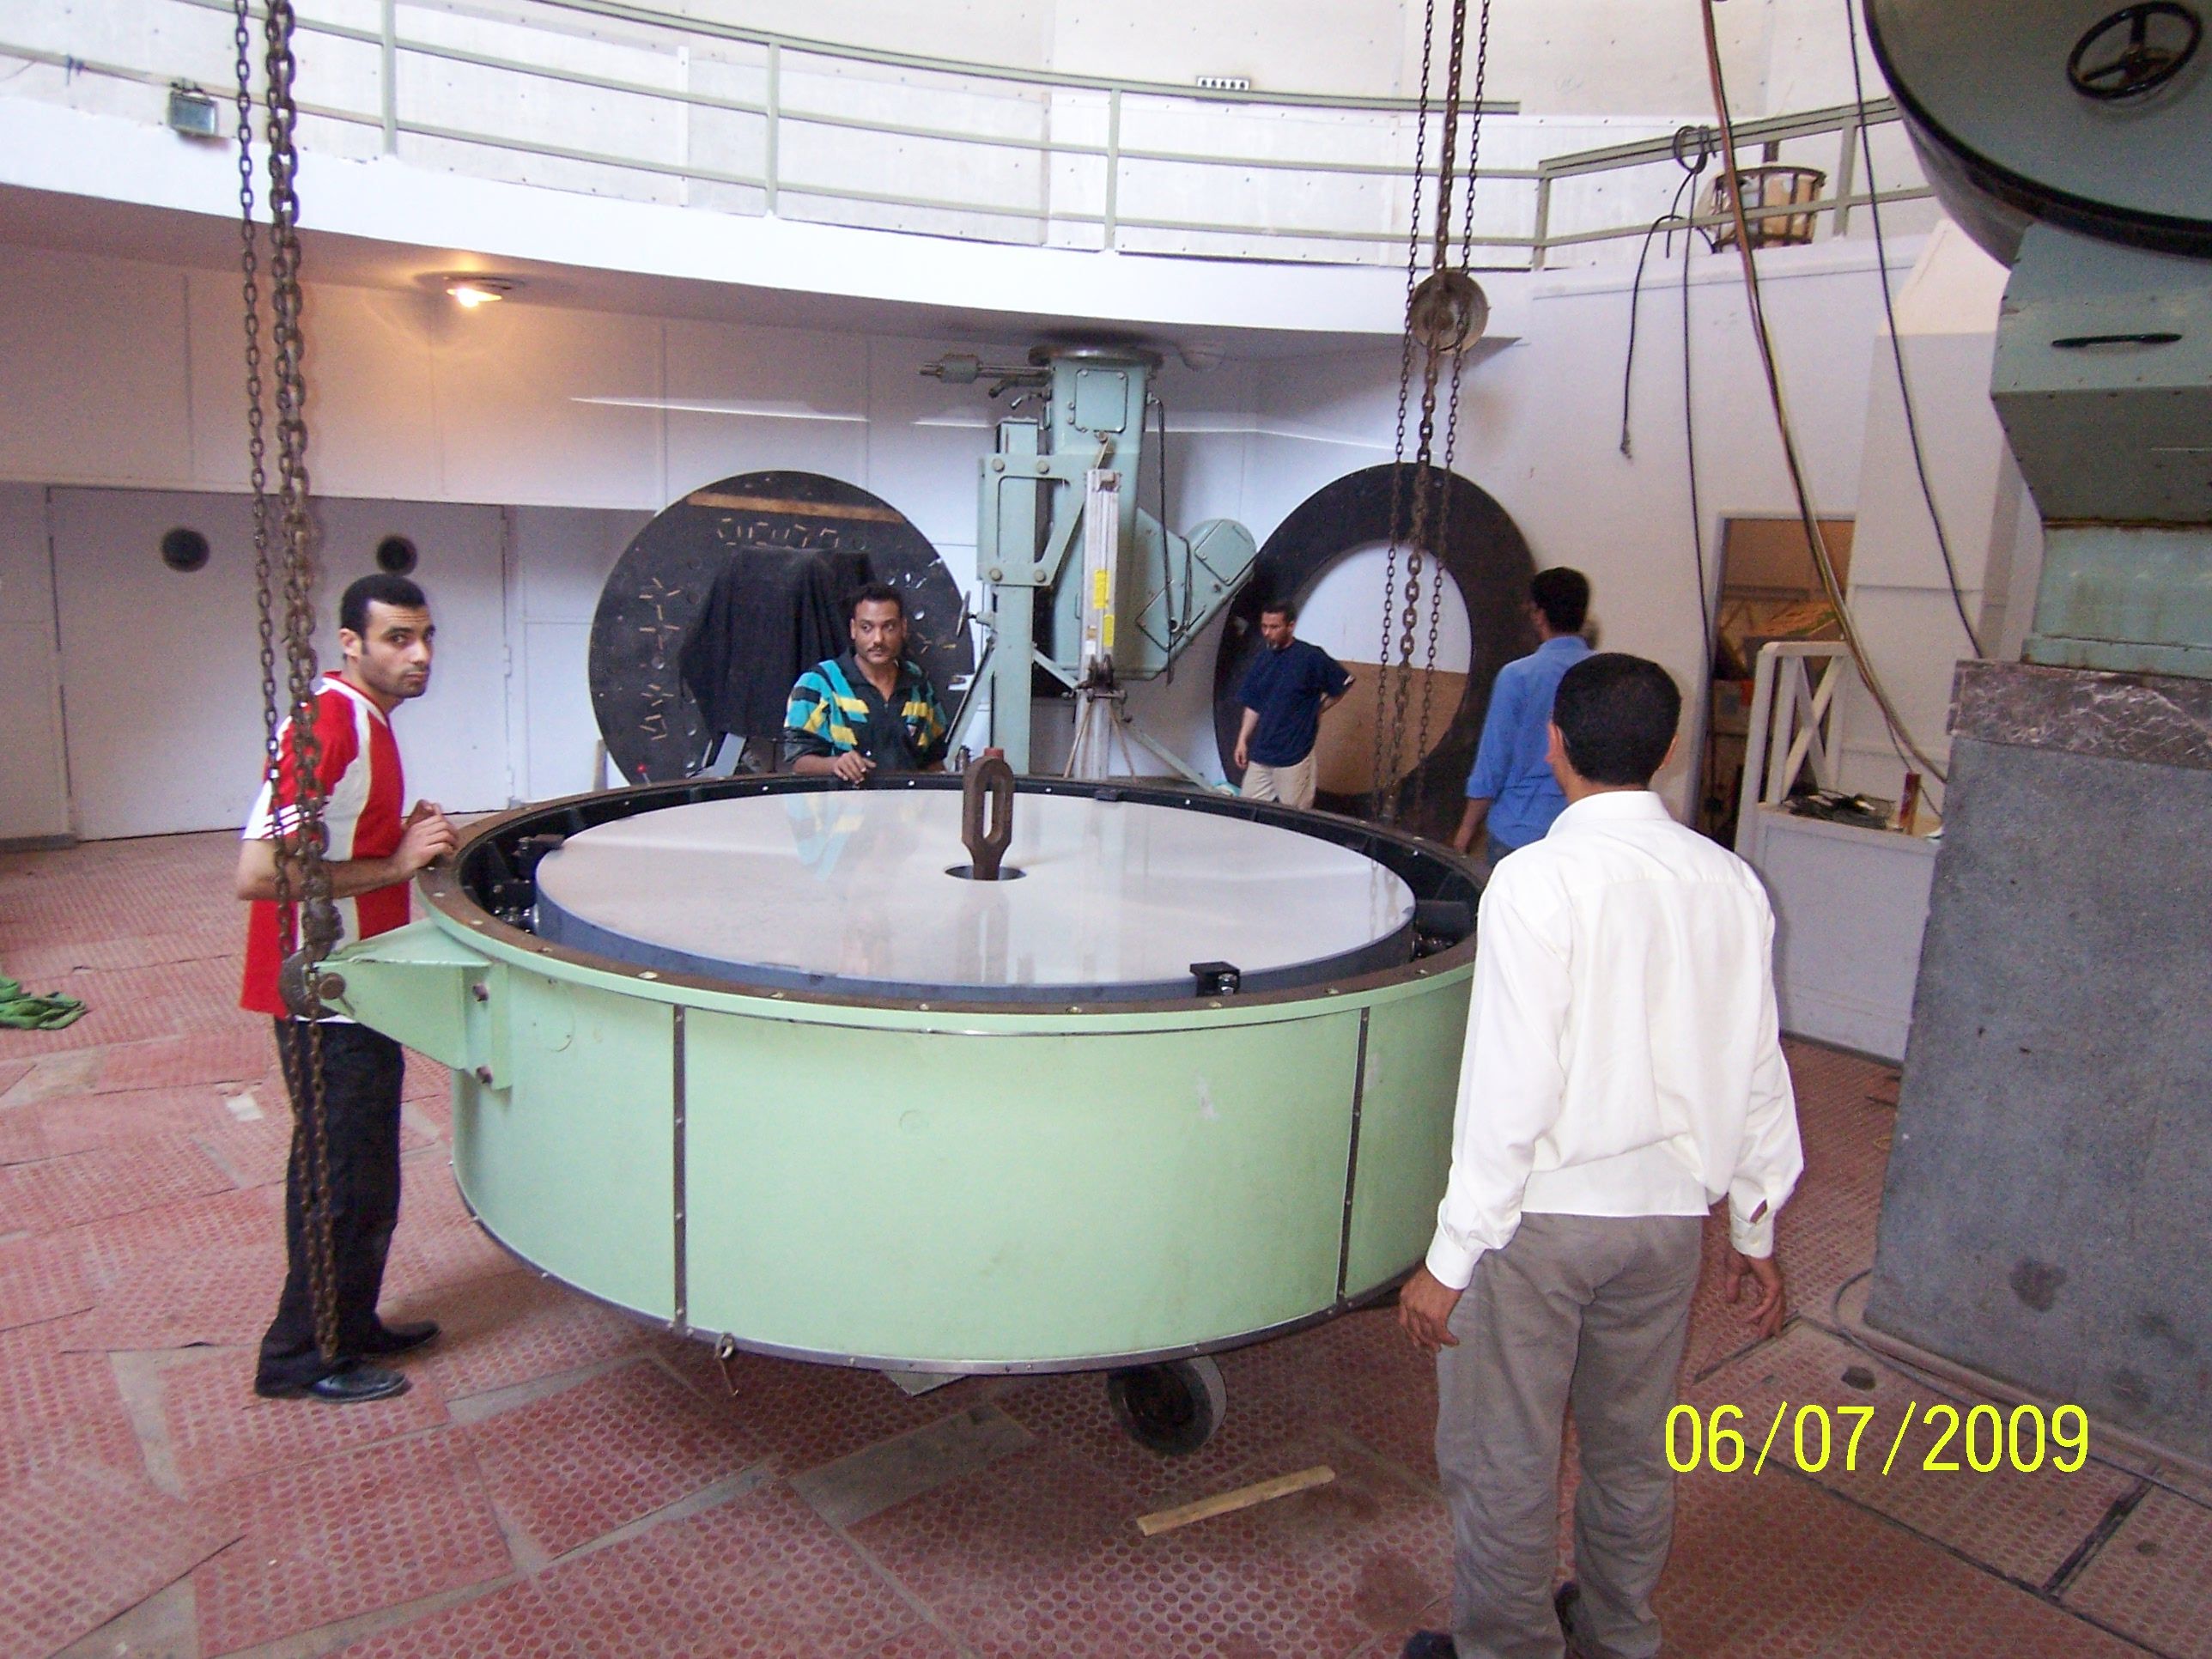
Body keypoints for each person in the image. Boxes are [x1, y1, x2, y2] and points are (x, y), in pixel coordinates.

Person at [1397, 653, 1803, 1659]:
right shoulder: (1731, 884)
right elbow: (1757, 1064)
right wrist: (1753, 1224)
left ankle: (1508, 1647)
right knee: (1630, 1453)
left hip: (1540, 1226)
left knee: (1505, 1457)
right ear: (1668, 749)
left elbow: (1508, 1087)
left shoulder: (1536, 881)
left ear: (1553, 742)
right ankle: (1619, 1636)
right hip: (1666, 1228)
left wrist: (1449, 1258)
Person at [237, 573, 457, 1404]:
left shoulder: (367, 718)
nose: (419, 654)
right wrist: (396, 863)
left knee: (365, 1175)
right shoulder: (330, 722)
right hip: (322, 995)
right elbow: (258, 873)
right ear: (350, 643)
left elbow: (334, 838)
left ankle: (350, 1324)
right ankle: (298, 1356)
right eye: (398, 638)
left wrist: (401, 835)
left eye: (426, 636)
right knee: (336, 1180)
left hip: (358, 987)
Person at [1451, 568, 1594, 865]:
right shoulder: (1602, 674)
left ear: (1539, 615)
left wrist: (1466, 828)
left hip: (1519, 829)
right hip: (1578, 830)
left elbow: (1493, 762)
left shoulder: (1518, 676)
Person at [782, 582, 949, 781]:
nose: (878, 639)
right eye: (867, 628)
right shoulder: (819, 682)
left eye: (888, 627)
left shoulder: (918, 683)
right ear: (853, 629)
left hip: (908, 800)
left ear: (903, 628)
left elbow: (933, 761)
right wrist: (835, 764)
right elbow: (798, 761)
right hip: (841, 800)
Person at [1232, 599, 1353, 810]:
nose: (1268, 633)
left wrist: (1318, 709)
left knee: (1294, 815)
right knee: (1247, 810)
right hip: (1262, 753)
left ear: (1291, 626)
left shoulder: (1310, 657)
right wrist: (1242, 740)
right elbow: (1253, 704)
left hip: (1294, 754)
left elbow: (1344, 683)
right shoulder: (1263, 660)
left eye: (1274, 627)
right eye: (1264, 626)